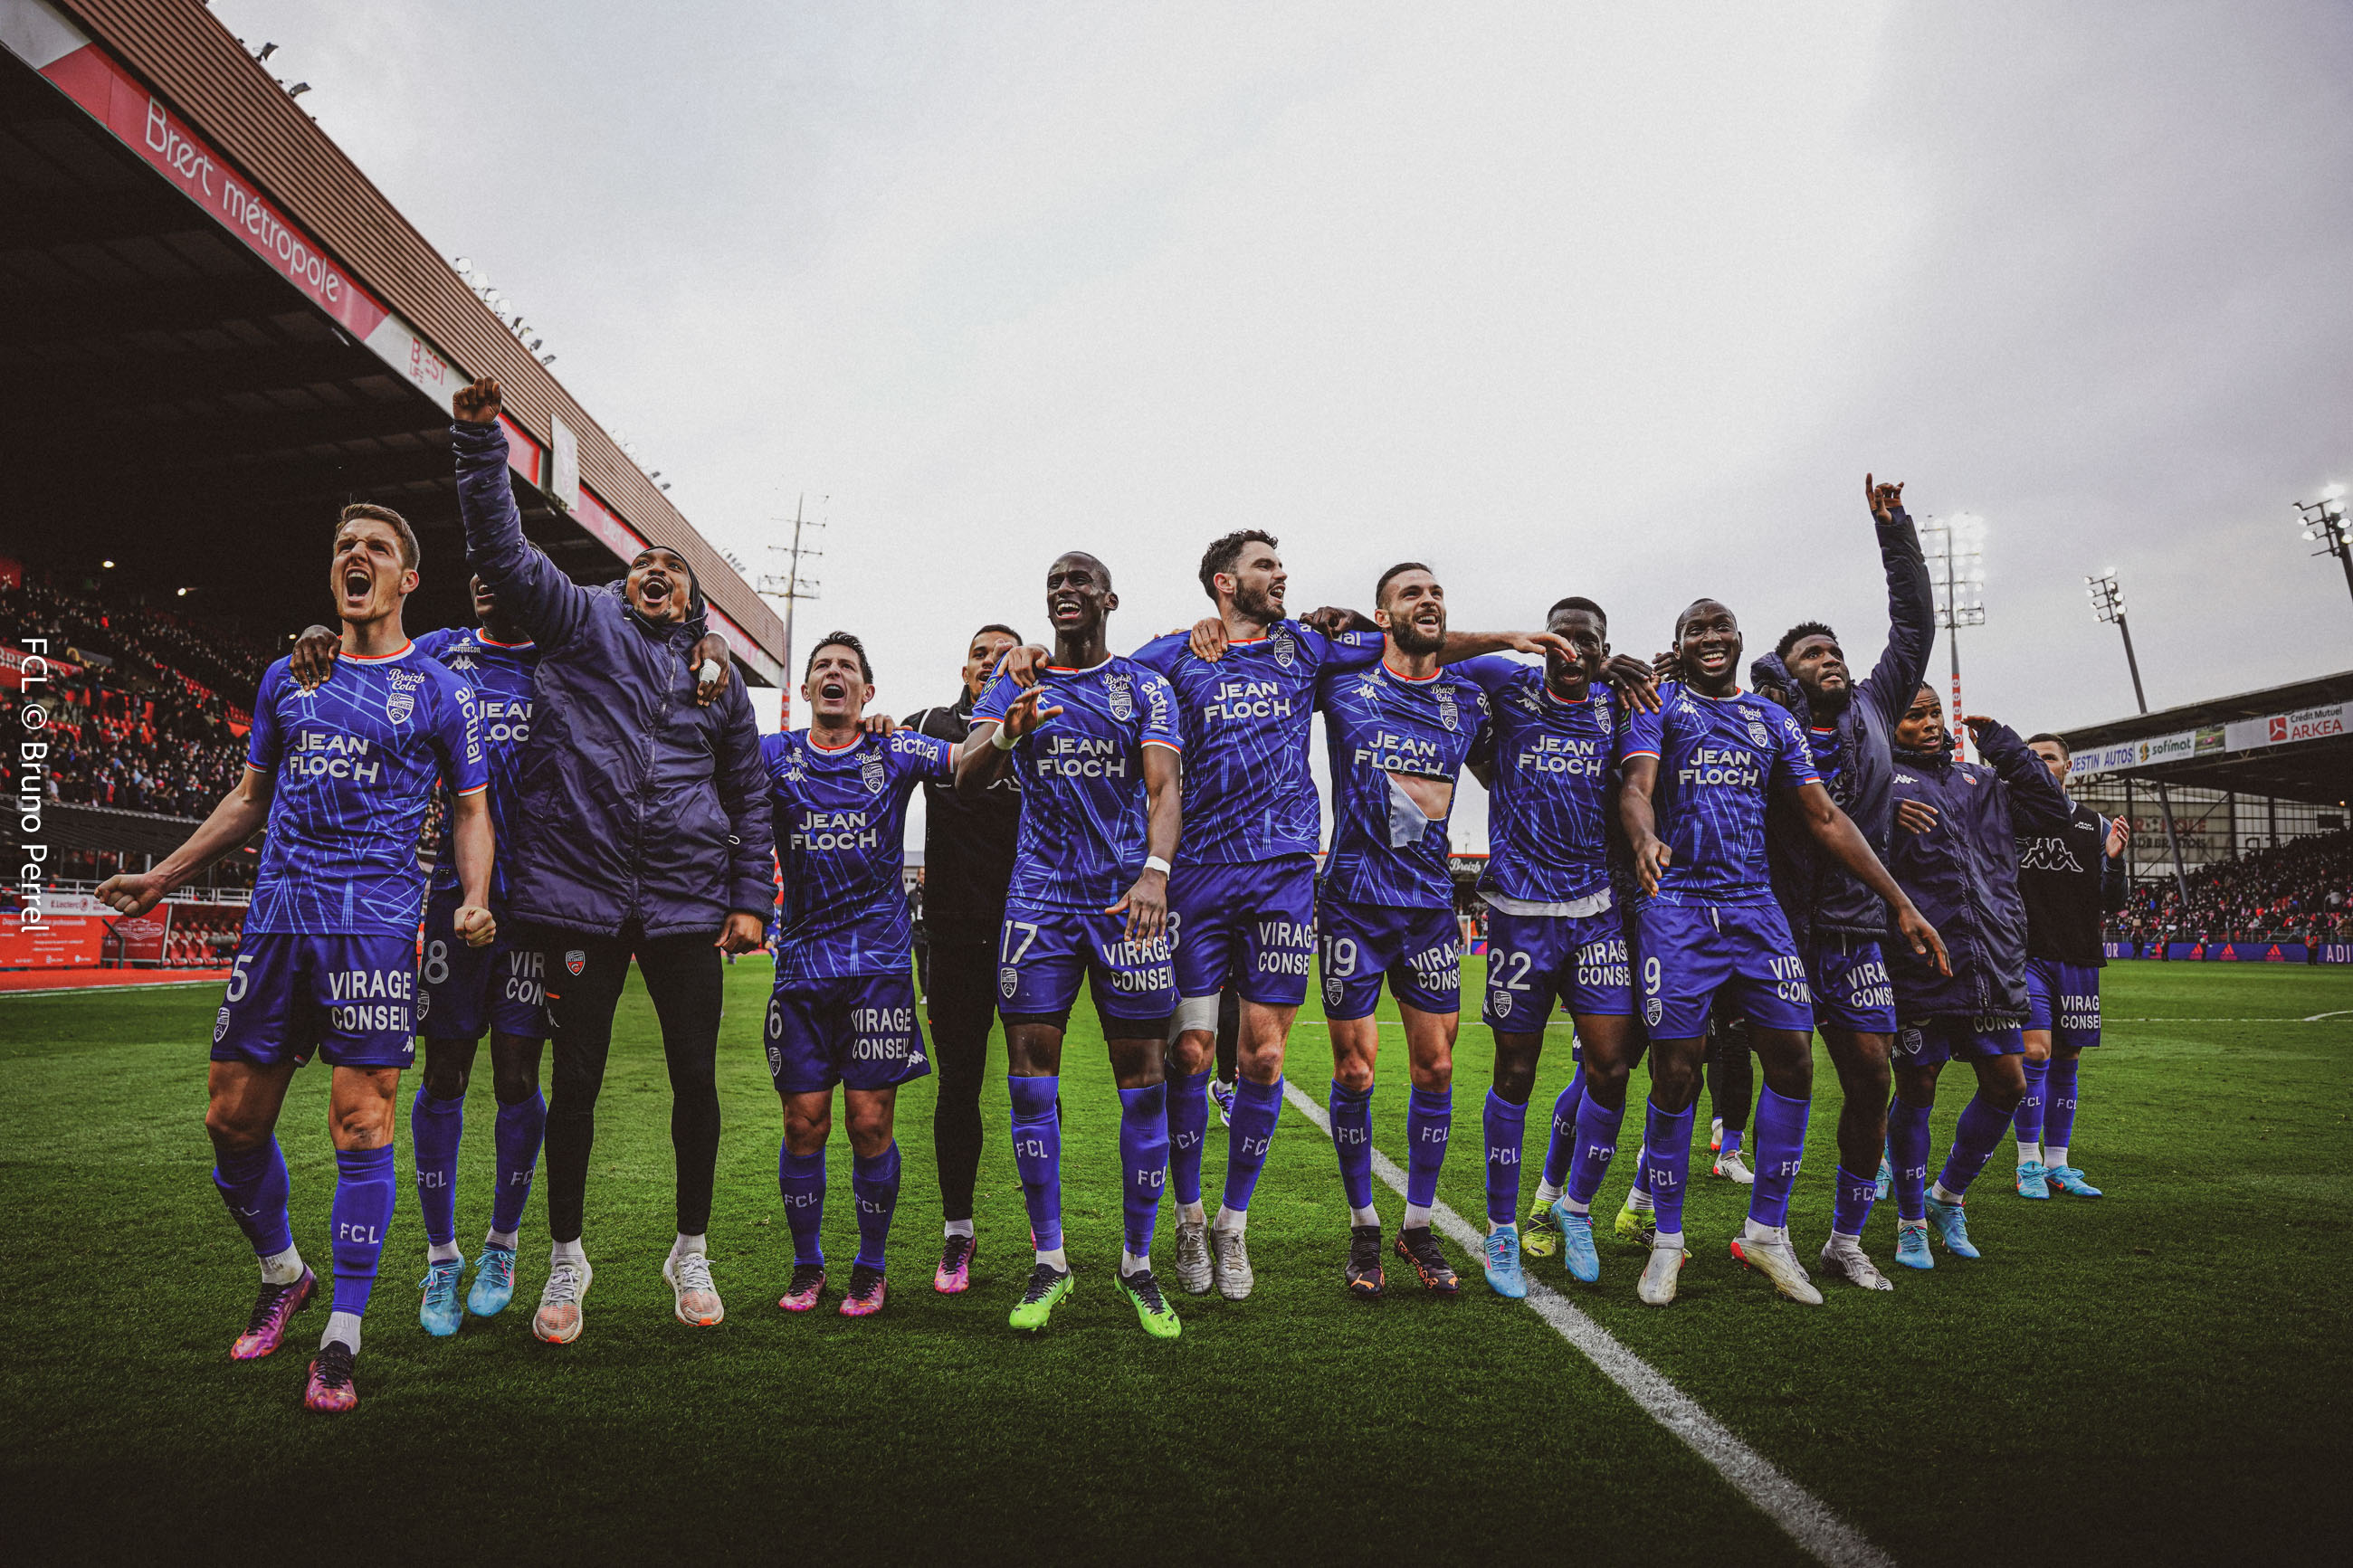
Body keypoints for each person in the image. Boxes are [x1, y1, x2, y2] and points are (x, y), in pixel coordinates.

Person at [97, 502, 492, 1412]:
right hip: (278, 919)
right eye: (345, 545)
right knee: (230, 1122)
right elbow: (250, 797)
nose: (357, 555)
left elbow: (471, 808)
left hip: (374, 927)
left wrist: (474, 895)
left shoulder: (440, 690)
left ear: (407, 579)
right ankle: (284, 1271)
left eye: (377, 548)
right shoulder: (289, 675)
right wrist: (163, 874)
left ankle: (341, 1336)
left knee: (362, 1124)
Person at [291, 584, 738, 1335]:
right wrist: (320, 633)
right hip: (451, 890)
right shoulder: (441, 651)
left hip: (538, 900)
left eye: (505, 568)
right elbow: (372, 659)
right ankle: (442, 1256)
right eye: (480, 568)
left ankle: (503, 1246)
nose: (487, 579)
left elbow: (645, 627)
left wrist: (708, 638)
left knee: (518, 1075)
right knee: (444, 1072)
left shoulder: (568, 656)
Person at [450, 376, 772, 1344]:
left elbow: (749, 792)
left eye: (673, 566)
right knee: (577, 1082)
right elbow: (505, 553)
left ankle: (691, 1249)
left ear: (694, 601)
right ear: (623, 584)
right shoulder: (578, 620)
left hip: (685, 904)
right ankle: (566, 1256)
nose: (655, 569)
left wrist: (749, 898)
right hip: (578, 899)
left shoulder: (717, 680)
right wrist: (480, 444)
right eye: (643, 562)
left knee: (695, 1081)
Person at [1617, 598, 1946, 1307]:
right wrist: (1644, 835)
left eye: (1721, 626)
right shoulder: (1660, 705)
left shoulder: (1772, 720)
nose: (1710, 636)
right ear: (1679, 643)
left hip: (1756, 908)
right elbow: (1637, 784)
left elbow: (1824, 814)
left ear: (1740, 640)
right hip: (1678, 905)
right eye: (1695, 629)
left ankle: (1767, 1232)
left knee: (1793, 1058)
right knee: (1676, 1070)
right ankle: (1667, 1240)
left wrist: (1901, 901)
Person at [1122, 530, 1382, 1301]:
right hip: (1197, 875)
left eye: (1280, 562)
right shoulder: (1174, 654)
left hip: (1282, 873)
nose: (1282, 573)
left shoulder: (1304, 647)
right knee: (1190, 1052)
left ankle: (1234, 1225)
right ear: (1224, 582)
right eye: (1266, 564)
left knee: (1264, 1057)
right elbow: (1101, 676)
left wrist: (1353, 618)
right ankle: (1189, 1217)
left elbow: (1402, 643)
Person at [958, 551, 1186, 1337]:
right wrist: (1007, 733)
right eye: (1055, 581)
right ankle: (1050, 1260)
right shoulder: (1016, 682)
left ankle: (1138, 1264)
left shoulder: (1144, 687)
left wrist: (1156, 872)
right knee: (1030, 1084)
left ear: (1108, 599)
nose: (1065, 590)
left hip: (1126, 902)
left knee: (1145, 1083)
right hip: (1040, 903)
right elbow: (966, 776)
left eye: (1079, 580)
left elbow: (1163, 786)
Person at [1743, 474, 1937, 1291]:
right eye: (1811, 654)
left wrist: (1895, 530)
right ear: (1787, 673)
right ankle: (1765, 1227)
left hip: (1857, 929)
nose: (1830, 660)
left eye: (1834, 652)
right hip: (1779, 927)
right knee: (1781, 1072)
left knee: (1872, 1074)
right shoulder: (1764, 721)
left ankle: (1846, 1239)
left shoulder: (1875, 704)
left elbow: (1914, 624)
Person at [1457, 596, 1652, 1297]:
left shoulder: (1615, 703)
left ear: (1603, 647)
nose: (1572, 650)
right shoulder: (1508, 684)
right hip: (1518, 912)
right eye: (1559, 639)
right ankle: (1502, 1229)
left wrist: (1637, 671)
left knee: (1611, 1069)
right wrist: (1508, 638)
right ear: (1543, 644)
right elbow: (1429, 649)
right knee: (1515, 1072)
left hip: (1596, 910)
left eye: (1586, 640)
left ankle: (1575, 1207)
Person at [765, 634, 959, 1318]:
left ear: (867, 692)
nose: (833, 672)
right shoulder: (774, 755)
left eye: (846, 667)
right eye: (822, 665)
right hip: (800, 969)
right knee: (804, 1124)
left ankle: (870, 1268)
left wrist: (1003, 712)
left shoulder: (894, 749)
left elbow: (966, 760)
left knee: (869, 1123)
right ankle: (807, 1265)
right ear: (808, 688)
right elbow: (711, 756)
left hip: (878, 968)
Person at [1883, 689, 2069, 1267]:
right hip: (1919, 960)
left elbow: (2053, 810)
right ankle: (1910, 1221)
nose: (1930, 722)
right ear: (1891, 723)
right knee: (1918, 1088)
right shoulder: (1880, 780)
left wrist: (2006, 748)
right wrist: (1882, 811)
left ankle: (1947, 1198)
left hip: (1989, 958)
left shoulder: (1980, 780)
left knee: (2009, 1085)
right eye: (1915, 714)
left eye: (1935, 712)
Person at [903, 624, 1024, 1292]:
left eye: (1006, 655)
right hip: (951, 937)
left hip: (1029, 937)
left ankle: (1044, 1228)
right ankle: (958, 1232)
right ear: (964, 667)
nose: (992, 663)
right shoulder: (931, 726)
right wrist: (880, 726)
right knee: (958, 1086)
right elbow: (872, 770)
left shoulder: (1042, 728)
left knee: (1036, 1086)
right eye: (982, 654)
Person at [2012, 733, 2129, 1198]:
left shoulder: (2095, 825)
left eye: (2049, 758)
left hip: (2078, 957)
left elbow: (2114, 901)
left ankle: (2058, 1164)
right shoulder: (2008, 817)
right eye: (2032, 759)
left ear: (2067, 766)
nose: (2041, 765)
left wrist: (2115, 862)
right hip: (2024, 955)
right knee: (2036, 1052)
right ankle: (2027, 1162)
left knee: (2067, 1058)